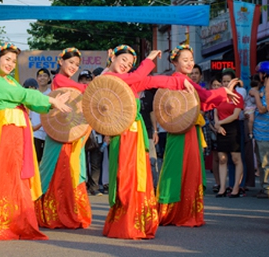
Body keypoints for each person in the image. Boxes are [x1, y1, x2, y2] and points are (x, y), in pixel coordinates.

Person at [101, 44, 195, 239]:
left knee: (139, 179)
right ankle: (125, 223)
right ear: (112, 58)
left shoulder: (128, 82)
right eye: (123, 60)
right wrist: (149, 58)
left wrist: (178, 83)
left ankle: (136, 220)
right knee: (125, 178)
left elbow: (151, 80)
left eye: (130, 63)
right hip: (123, 136)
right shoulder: (108, 79)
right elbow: (137, 77)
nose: (126, 65)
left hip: (136, 136)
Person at [0, 42, 71, 241]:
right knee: (7, 175)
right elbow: (22, 95)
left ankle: (20, 221)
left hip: (20, 133)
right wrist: (50, 100)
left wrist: (53, 105)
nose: (10, 64)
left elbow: (30, 101)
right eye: (7, 59)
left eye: (13, 61)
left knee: (21, 177)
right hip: (7, 133)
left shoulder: (11, 82)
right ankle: (3, 223)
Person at [157, 45, 238, 227]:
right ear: (175, 62)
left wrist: (222, 94)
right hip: (181, 131)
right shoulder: (178, 79)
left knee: (181, 168)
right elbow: (205, 96)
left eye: (191, 60)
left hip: (188, 130)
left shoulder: (183, 80)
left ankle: (175, 211)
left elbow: (202, 102)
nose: (189, 63)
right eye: (184, 60)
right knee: (180, 169)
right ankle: (177, 211)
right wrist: (223, 92)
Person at [35, 47, 92, 229]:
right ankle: (56, 213)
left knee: (68, 171)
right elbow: (83, 88)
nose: (74, 67)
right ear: (61, 62)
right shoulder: (60, 79)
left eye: (77, 64)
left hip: (68, 132)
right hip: (59, 132)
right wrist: (102, 80)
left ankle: (65, 211)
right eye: (71, 63)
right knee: (57, 170)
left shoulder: (66, 81)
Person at [249, 61, 269, 199]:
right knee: (261, 161)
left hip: (267, 131)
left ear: (264, 74)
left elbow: (262, 108)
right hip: (259, 131)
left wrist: (255, 95)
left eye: (260, 73)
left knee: (267, 161)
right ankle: (265, 186)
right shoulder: (263, 89)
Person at [214, 71, 245, 198]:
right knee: (222, 159)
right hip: (220, 128)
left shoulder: (238, 96)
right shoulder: (219, 96)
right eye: (224, 81)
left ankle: (236, 188)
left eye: (228, 81)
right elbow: (215, 110)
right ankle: (222, 187)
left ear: (234, 82)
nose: (226, 83)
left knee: (236, 158)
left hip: (232, 128)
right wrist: (217, 124)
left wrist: (219, 123)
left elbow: (235, 115)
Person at [31, 68, 52, 163]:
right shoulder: (33, 94)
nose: (42, 78)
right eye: (40, 76)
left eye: (45, 76)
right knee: (34, 160)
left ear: (48, 79)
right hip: (34, 133)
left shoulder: (52, 94)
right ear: (37, 79)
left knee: (45, 162)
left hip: (48, 134)